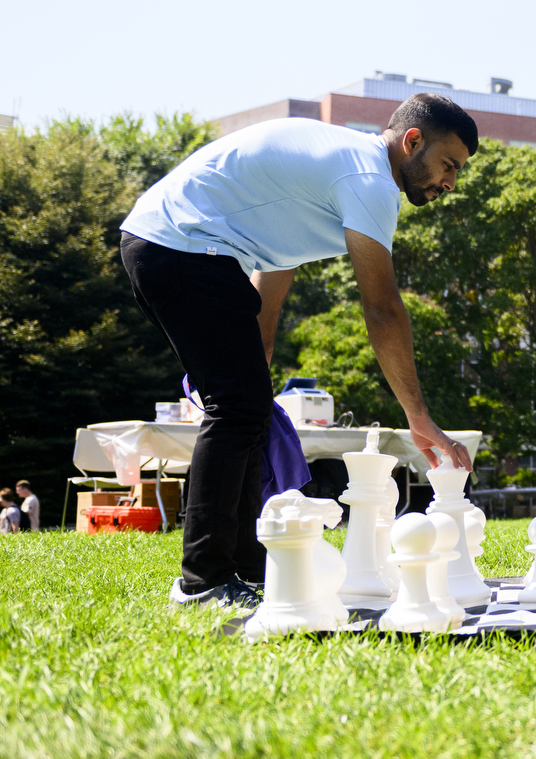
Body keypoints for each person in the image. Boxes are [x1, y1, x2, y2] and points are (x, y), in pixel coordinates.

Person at [120, 93, 478, 609]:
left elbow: (275, 257)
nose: (450, 182)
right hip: (182, 246)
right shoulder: (369, 180)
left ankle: (246, 569)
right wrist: (417, 416)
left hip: (175, 245)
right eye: (448, 165)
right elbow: (382, 309)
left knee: (248, 408)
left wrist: (257, 359)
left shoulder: (337, 165)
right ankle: (203, 582)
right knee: (237, 409)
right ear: (412, 141)